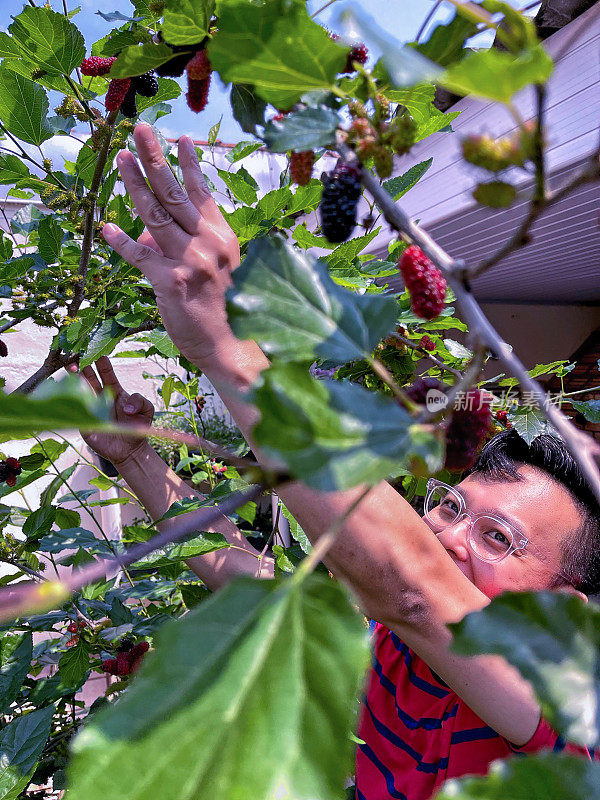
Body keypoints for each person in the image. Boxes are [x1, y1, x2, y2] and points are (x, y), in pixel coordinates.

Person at [75, 123, 598, 800]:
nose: (447, 536)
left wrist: (228, 344)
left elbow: (411, 585)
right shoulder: (391, 641)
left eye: (498, 538)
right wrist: (139, 461)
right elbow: (241, 572)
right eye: (450, 506)